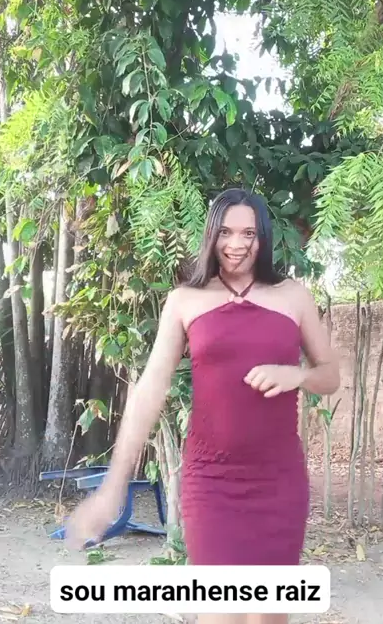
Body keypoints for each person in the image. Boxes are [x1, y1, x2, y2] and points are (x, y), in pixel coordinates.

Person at [66, 188, 340, 624]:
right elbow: (149, 390)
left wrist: (297, 376)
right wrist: (113, 487)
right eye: (226, 232)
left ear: (263, 237)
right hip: (212, 481)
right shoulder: (185, 300)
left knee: (269, 616)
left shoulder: (293, 296)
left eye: (249, 233)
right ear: (211, 235)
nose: (237, 244)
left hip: (278, 480)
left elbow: (330, 375)